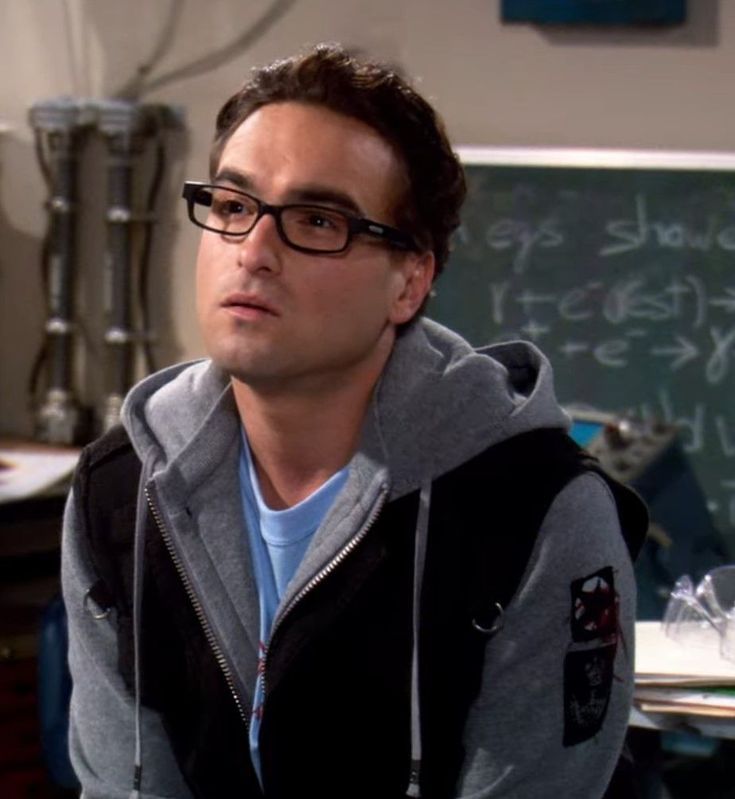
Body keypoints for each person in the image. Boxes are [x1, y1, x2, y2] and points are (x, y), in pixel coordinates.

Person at [61, 43, 647, 799]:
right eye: (234, 207)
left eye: (316, 220)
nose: (254, 251)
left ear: (409, 280)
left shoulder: (537, 510)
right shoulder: (121, 489)